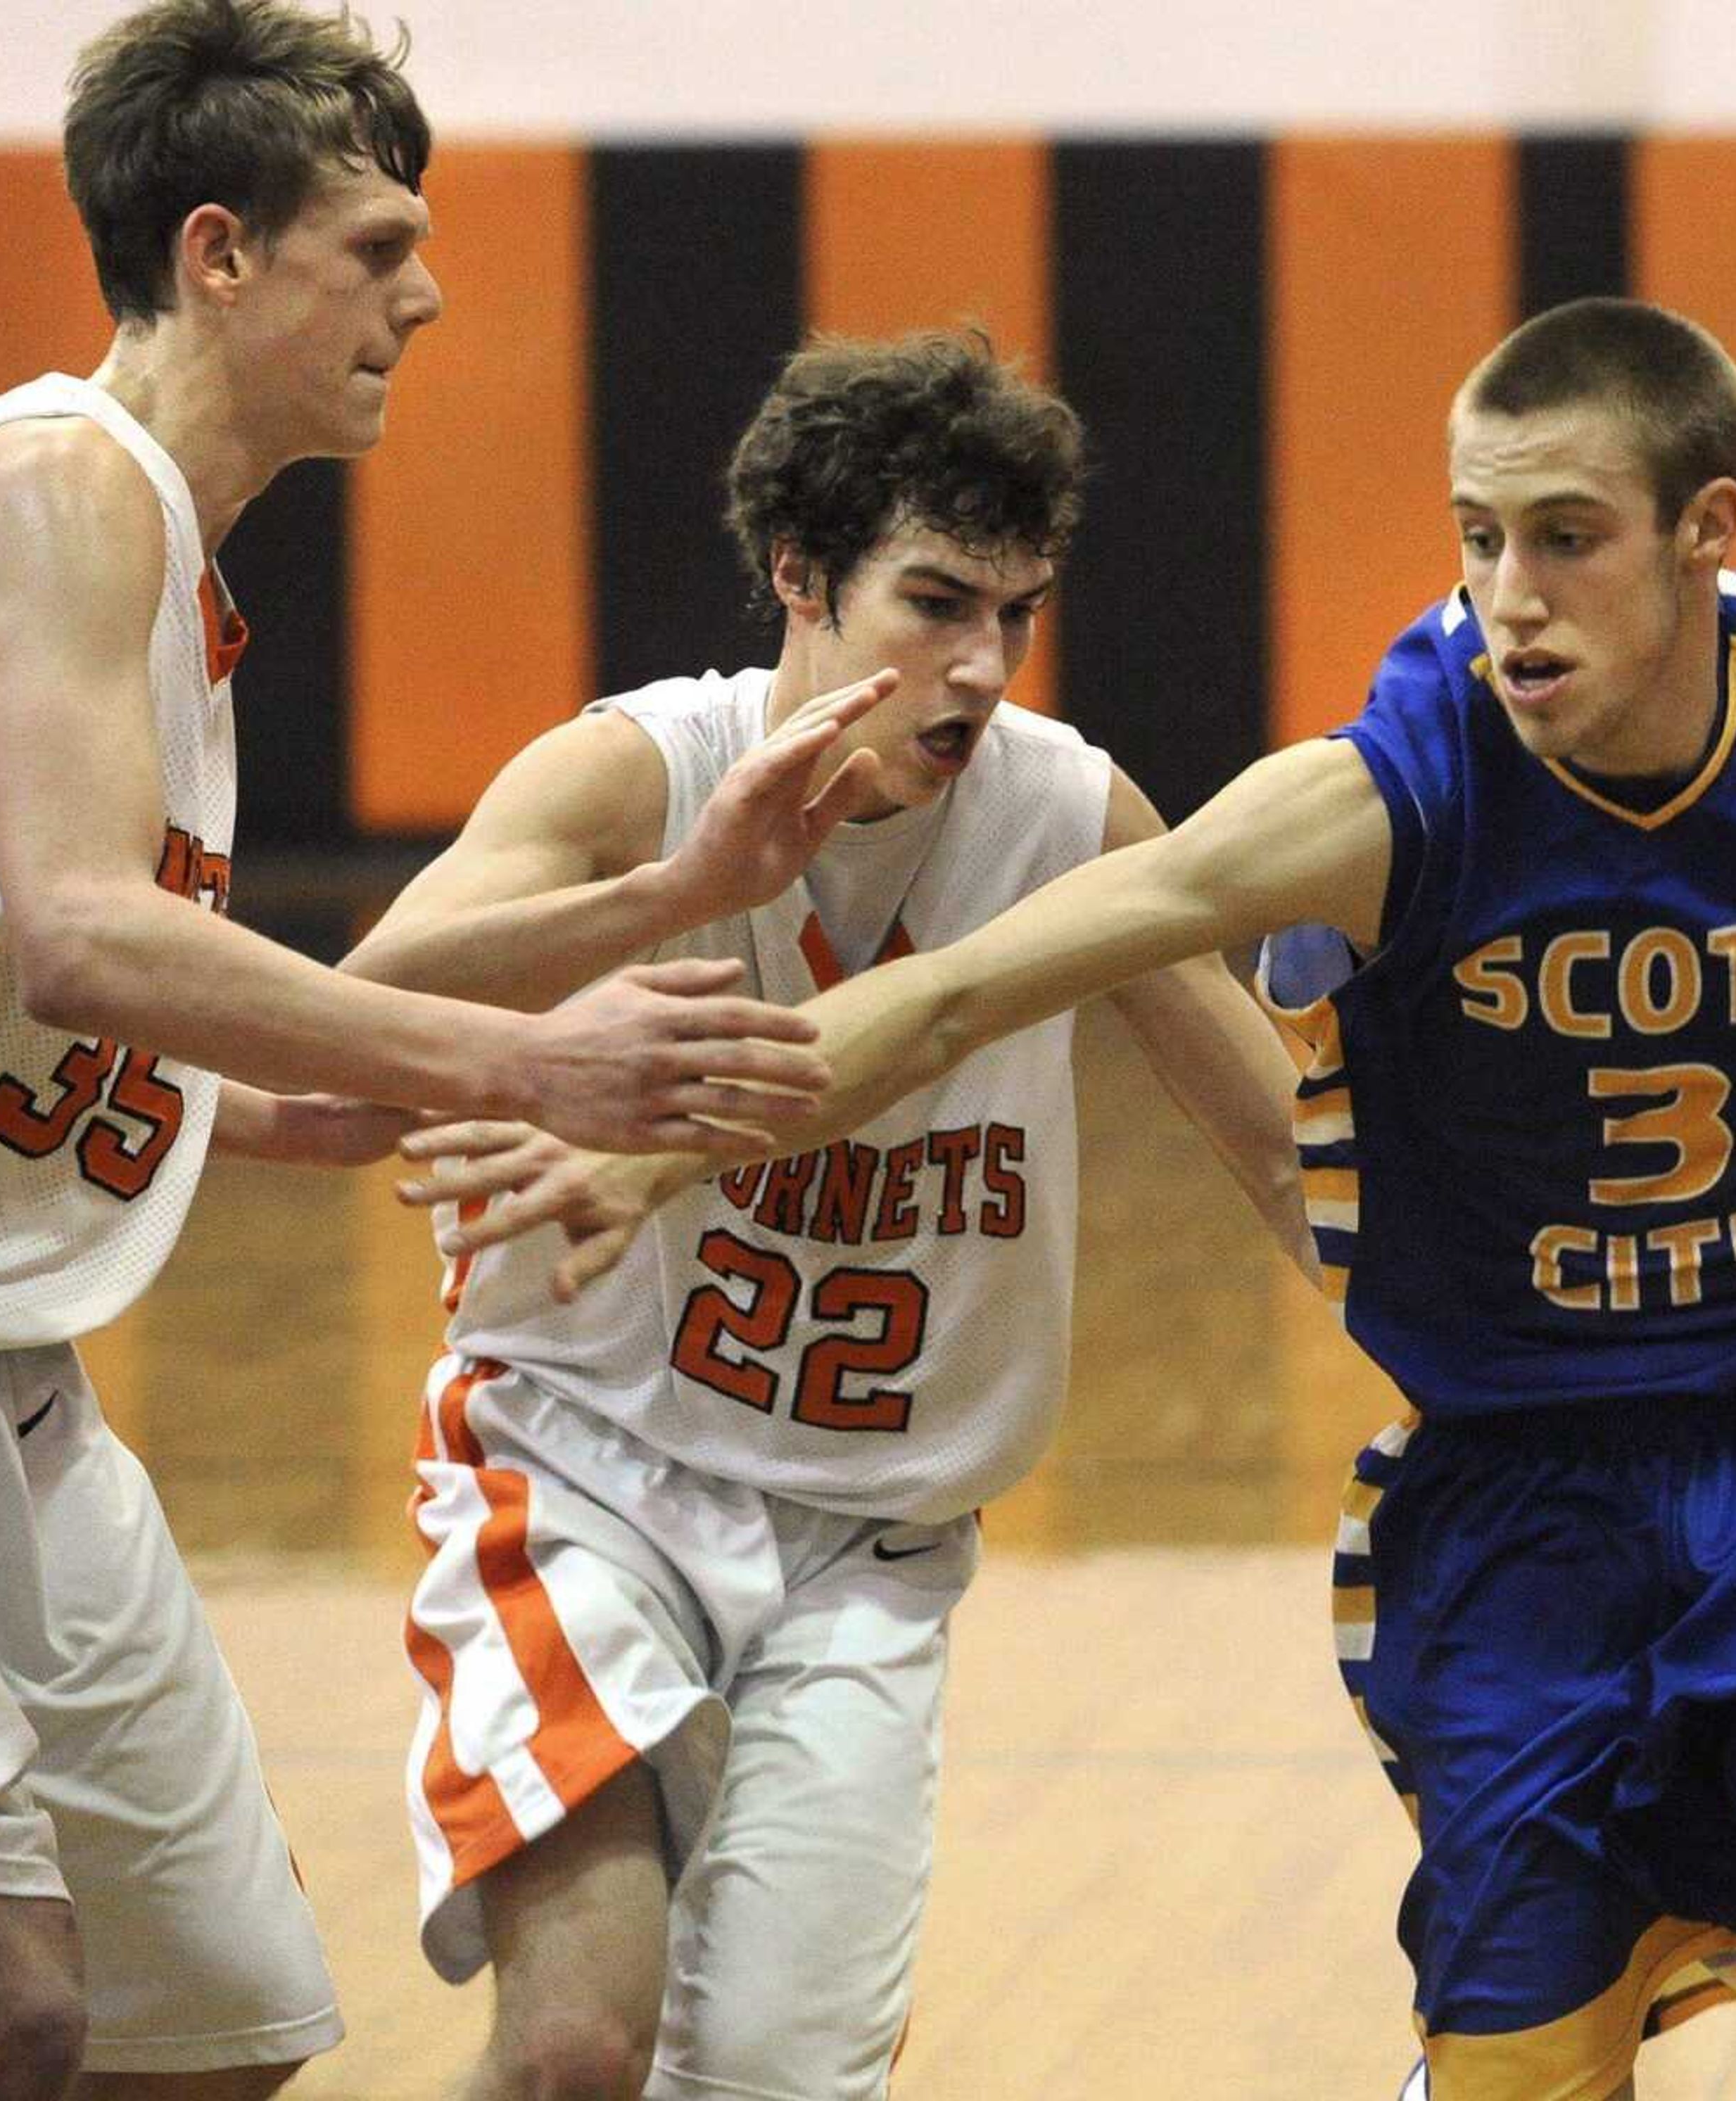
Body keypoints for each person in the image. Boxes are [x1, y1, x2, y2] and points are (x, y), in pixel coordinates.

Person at [417, 299, 1736, 2101]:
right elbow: (942, 1002)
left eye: (1568, 537)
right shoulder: (1383, 789)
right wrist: (645, 1130)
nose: (1511, 595)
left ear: (1706, 530)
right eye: (1479, 537)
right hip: (1528, 1487)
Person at [0, 4, 847, 2094]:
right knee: (8, 2004)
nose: (424, 293)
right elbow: (91, 941)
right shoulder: (70, 486)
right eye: (374, 245)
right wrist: (524, 1066)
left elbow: (74, 1010)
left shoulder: (155, 559)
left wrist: (655, 894)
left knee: (217, 2016)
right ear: (217, 254)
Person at [337, 330, 1310, 2101]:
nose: (978, 667)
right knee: (574, 2037)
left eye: (1012, 613)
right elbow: (365, 995)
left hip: (870, 1539)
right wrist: (677, 891)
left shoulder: (1071, 814)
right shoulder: (632, 772)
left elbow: (1276, 1143)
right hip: (584, 1467)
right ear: (799, 576)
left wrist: (1510, 1356)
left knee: (777, 2078)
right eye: (932, 602)